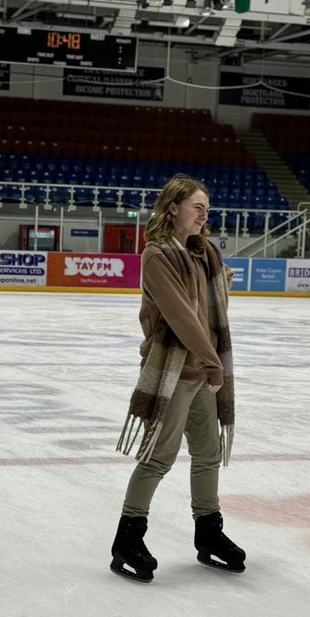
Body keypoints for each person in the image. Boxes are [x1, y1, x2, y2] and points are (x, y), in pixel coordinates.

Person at [112, 174, 245, 581]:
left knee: (207, 454)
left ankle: (209, 533)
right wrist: (213, 364)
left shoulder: (204, 253)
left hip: (203, 374)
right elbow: (181, 318)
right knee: (158, 457)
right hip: (174, 371)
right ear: (173, 208)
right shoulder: (157, 255)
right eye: (197, 208)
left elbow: (205, 308)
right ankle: (128, 538)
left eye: (207, 208)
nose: (205, 215)